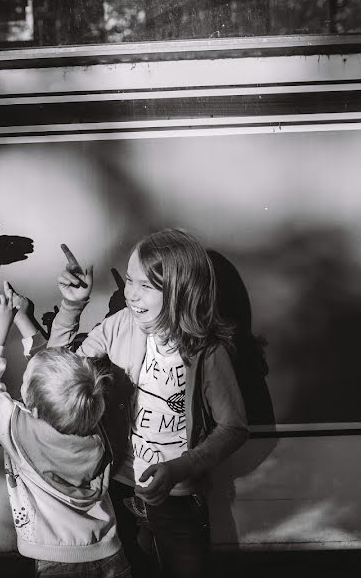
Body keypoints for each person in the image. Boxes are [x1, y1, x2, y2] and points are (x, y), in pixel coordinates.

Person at [50, 230, 248, 578]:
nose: (132, 294)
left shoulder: (208, 351)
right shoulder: (120, 326)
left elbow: (233, 427)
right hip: (116, 487)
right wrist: (71, 306)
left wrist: (181, 469)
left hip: (177, 494)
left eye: (147, 286)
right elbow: (56, 373)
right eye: (130, 280)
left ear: (181, 291)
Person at [0, 284, 131, 578]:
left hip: (55, 561)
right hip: (109, 552)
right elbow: (54, 372)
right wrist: (21, 317)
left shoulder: (20, 433)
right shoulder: (94, 427)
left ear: (31, 402)